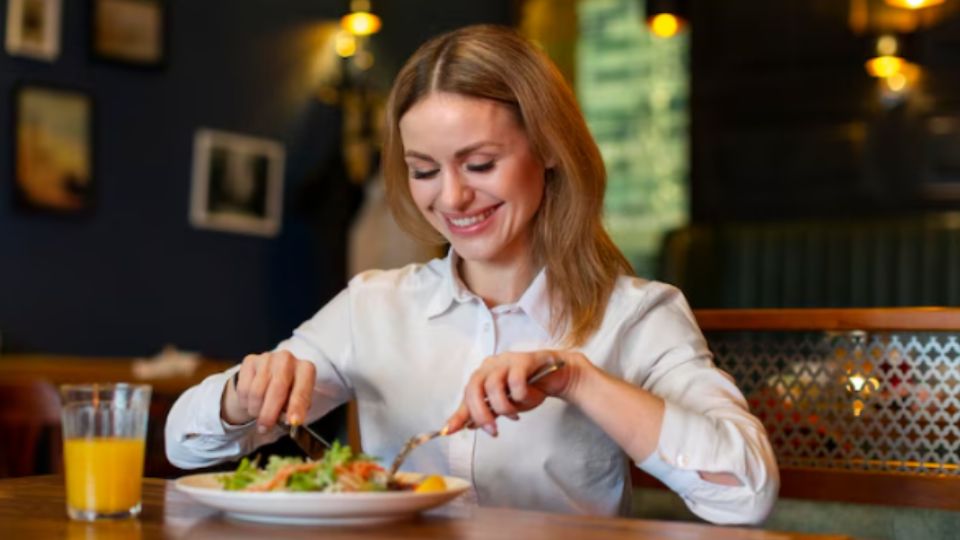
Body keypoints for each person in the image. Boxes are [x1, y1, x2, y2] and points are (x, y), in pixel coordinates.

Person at [166, 24, 778, 524]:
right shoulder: (375, 306)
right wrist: (243, 395)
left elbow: (746, 492)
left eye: (479, 163)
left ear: (549, 148)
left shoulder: (636, 314)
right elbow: (185, 446)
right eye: (424, 170)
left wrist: (579, 381)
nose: (452, 197)